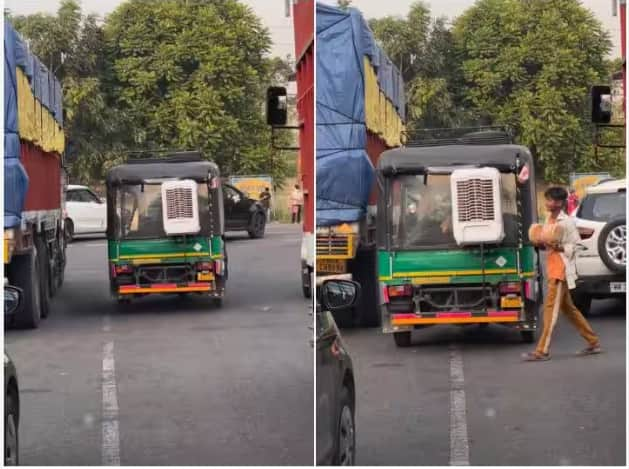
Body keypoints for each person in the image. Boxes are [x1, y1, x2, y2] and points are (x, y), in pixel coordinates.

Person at [522, 186, 601, 362]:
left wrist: (560, 247)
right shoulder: (549, 218)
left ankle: (542, 350)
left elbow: (578, 246)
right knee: (569, 310)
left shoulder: (567, 222)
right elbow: (547, 243)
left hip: (561, 271)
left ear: (559, 203)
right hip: (552, 268)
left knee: (549, 310)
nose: (547, 203)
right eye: (547, 199)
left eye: (550, 200)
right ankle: (593, 341)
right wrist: (540, 243)